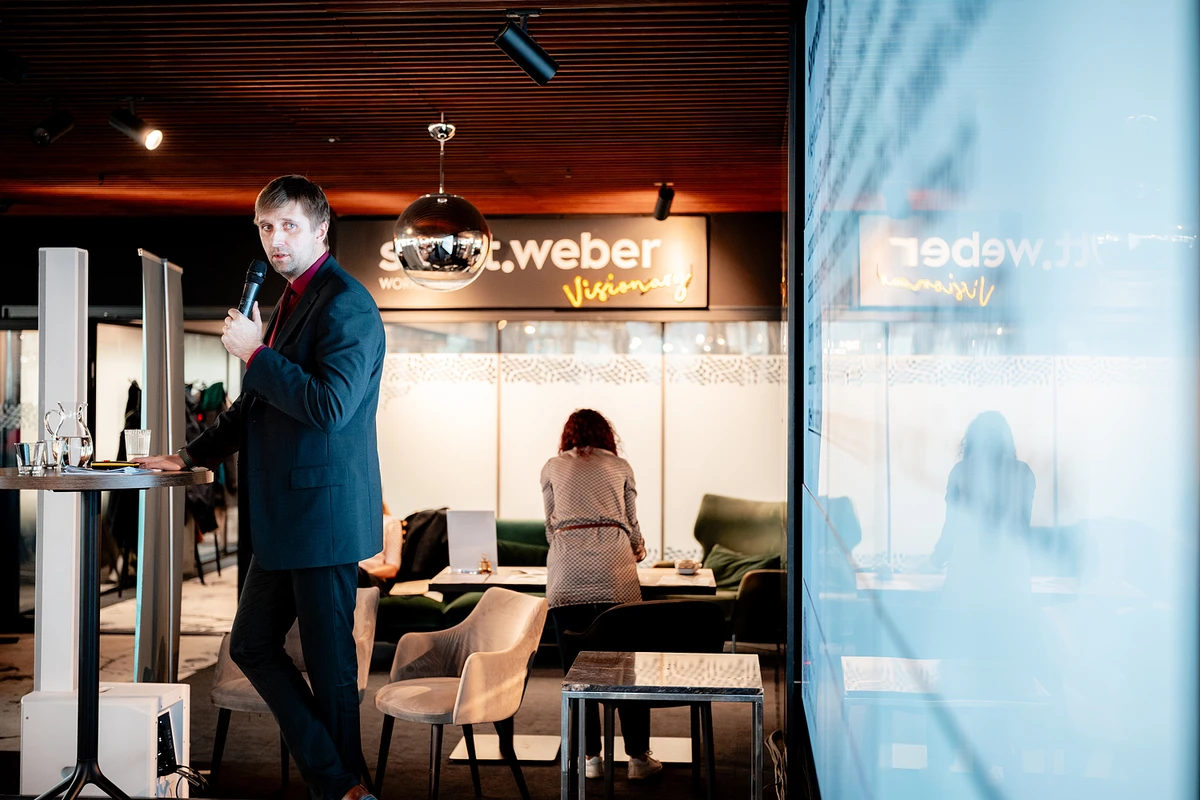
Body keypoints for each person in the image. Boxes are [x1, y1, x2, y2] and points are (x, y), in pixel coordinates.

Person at [135, 175, 385, 800]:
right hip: (285, 520)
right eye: (266, 228)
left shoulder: (347, 303)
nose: (276, 240)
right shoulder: (290, 302)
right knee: (251, 644)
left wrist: (255, 355)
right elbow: (255, 407)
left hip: (322, 518)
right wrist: (187, 454)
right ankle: (342, 783)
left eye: (289, 226)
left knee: (330, 670)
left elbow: (329, 407)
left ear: (321, 230)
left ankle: (344, 790)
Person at [540, 408, 661, 781]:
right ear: (607, 434)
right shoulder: (620, 466)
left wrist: (570, 545)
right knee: (626, 669)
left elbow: (550, 526)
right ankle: (638, 758)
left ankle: (590, 758)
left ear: (568, 436)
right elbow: (632, 522)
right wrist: (636, 549)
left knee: (576, 671)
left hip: (567, 575)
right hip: (615, 573)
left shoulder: (551, 467)